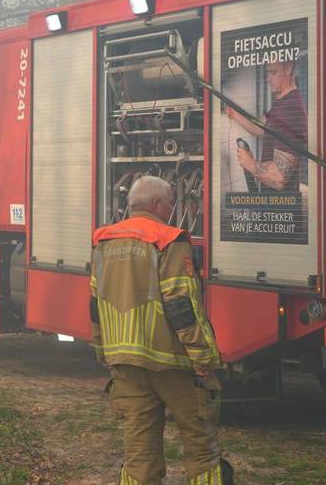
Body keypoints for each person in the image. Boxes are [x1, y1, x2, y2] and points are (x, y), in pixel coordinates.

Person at [89, 176, 232, 485]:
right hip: (172, 363)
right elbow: (181, 306)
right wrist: (203, 358)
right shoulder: (168, 240)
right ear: (156, 205)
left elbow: (95, 304)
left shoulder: (103, 241)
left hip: (125, 364)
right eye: (170, 202)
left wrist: (102, 351)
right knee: (200, 445)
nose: (172, 208)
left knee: (139, 453)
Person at [227, 59, 306, 192]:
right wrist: (233, 113)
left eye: (273, 72)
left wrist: (250, 164)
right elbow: (259, 128)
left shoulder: (290, 109)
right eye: (267, 73)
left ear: (288, 69)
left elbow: (279, 178)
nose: (267, 79)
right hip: (272, 204)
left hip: (282, 208)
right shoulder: (281, 104)